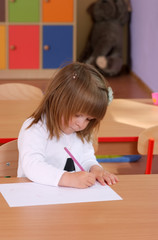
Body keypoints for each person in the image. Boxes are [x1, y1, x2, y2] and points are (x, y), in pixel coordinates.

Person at [17, 62, 118, 188]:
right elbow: (32, 166)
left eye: (89, 119)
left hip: (66, 199)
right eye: (77, 115)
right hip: (34, 198)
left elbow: (86, 156)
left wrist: (95, 168)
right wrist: (68, 178)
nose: (81, 124)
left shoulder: (82, 132)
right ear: (58, 100)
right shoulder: (35, 128)